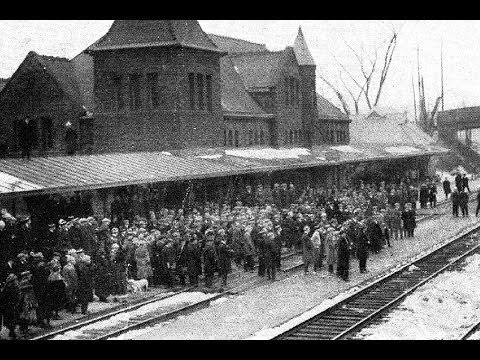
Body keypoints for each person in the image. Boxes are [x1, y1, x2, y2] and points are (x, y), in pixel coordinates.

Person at [0, 274, 21, 339]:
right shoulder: (9, 288)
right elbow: (4, 298)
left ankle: (12, 333)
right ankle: (12, 334)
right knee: (11, 320)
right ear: (12, 281)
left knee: (12, 320)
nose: (16, 281)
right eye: (15, 280)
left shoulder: (13, 287)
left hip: (12, 306)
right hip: (9, 307)